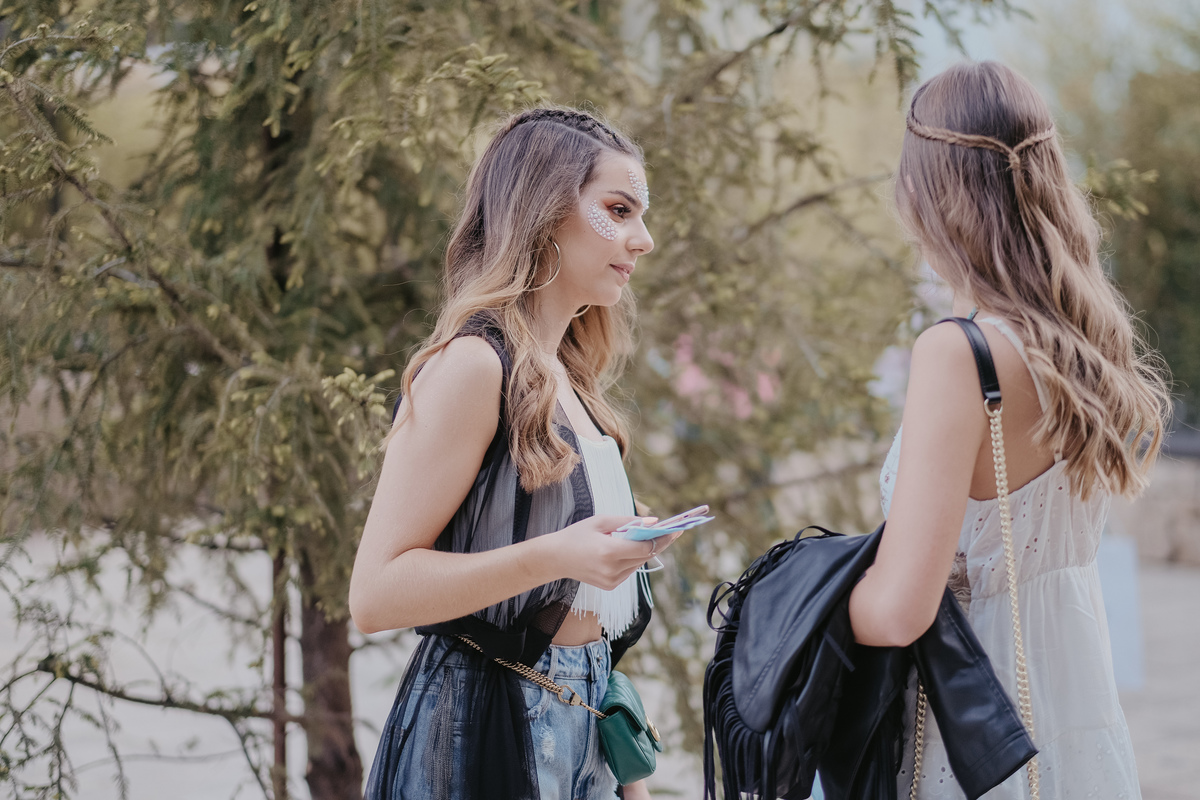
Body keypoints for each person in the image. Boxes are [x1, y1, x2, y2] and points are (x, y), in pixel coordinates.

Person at [848, 61, 1170, 799]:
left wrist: (784, 612)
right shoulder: (1081, 346)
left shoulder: (958, 353)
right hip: (1073, 701)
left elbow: (902, 609)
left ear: (928, 195)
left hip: (971, 722)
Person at [349, 107, 679, 800]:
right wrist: (559, 553)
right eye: (617, 210)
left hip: (585, 730)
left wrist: (627, 775)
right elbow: (375, 594)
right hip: (482, 734)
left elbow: (582, 614)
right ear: (544, 212)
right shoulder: (474, 365)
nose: (642, 239)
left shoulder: (571, 379)